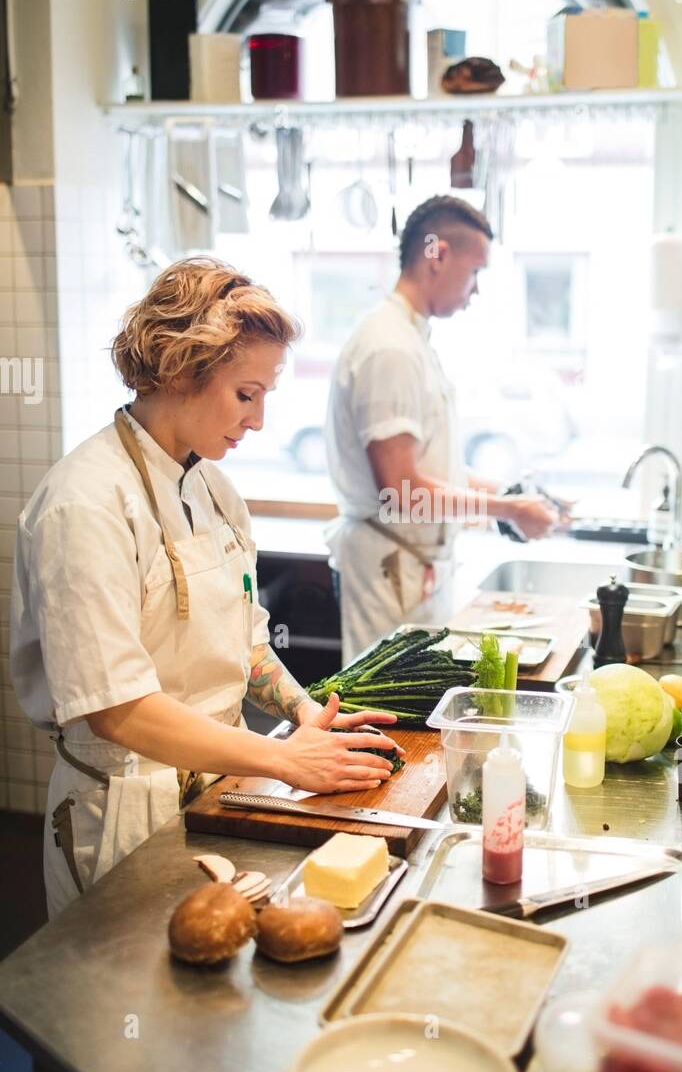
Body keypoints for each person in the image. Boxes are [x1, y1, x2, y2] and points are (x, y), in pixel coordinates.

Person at [10, 258, 402, 919]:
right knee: (121, 1007)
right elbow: (116, 708)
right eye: (246, 393)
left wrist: (304, 714)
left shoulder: (214, 490)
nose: (258, 421)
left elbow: (242, 643)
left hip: (220, 790)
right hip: (125, 815)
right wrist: (287, 763)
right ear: (180, 370)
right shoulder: (85, 502)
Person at [324, 195, 560, 661]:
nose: (475, 290)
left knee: (413, 708)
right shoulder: (389, 347)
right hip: (389, 566)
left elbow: (434, 468)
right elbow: (401, 489)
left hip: (409, 565)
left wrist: (518, 496)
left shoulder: (410, 339)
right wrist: (506, 509)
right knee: (387, 710)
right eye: (475, 271)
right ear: (437, 255)